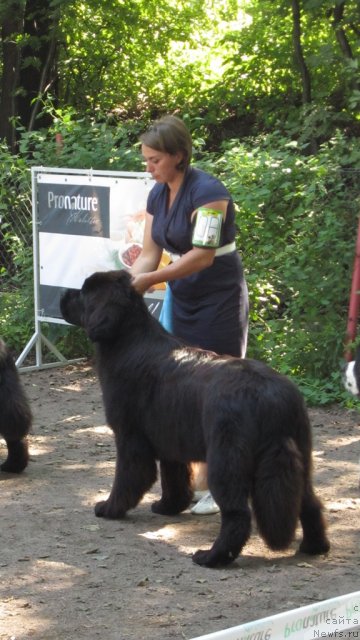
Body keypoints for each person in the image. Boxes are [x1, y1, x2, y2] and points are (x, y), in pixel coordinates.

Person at [130, 115, 249, 515]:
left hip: (217, 294)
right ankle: (193, 481)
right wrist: (127, 285)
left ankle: (226, 483)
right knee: (183, 385)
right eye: (146, 160)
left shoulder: (210, 193)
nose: (148, 167)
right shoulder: (156, 193)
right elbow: (149, 252)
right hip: (181, 293)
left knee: (221, 385)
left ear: (178, 156)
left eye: (154, 160)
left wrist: (151, 281)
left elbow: (202, 256)